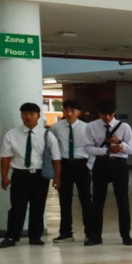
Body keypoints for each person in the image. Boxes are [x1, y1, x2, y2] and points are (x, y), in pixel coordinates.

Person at [0, 102, 60, 248]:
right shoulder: (12, 134)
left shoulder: (47, 135)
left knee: (38, 207)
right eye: (25, 114)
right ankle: (11, 237)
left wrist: (57, 177)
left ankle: (35, 236)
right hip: (20, 175)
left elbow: (56, 158)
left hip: (40, 176)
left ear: (38, 116)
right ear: (21, 116)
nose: (28, 117)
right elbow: (5, 157)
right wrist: (5, 177)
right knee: (17, 207)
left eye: (32, 114)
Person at [83, 98, 132, 246]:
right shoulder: (91, 127)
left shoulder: (124, 127)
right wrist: (107, 150)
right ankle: (95, 236)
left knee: (122, 201)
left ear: (114, 113)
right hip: (101, 164)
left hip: (119, 165)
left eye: (110, 114)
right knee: (97, 201)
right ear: (98, 113)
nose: (107, 117)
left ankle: (126, 235)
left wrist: (119, 143)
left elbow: (131, 149)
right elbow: (88, 148)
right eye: (104, 114)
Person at [49, 100, 92, 243]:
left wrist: (89, 166)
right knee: (64, 200)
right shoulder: (56, 127)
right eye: (66, 110)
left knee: (85, 199)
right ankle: (66, 233)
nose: (68, 113)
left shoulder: (87, 128)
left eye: (72, 110)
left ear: (79, 112)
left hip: (82, 165)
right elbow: (51, 147)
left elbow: (92, 148)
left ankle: (90, 232)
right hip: (65, 165)